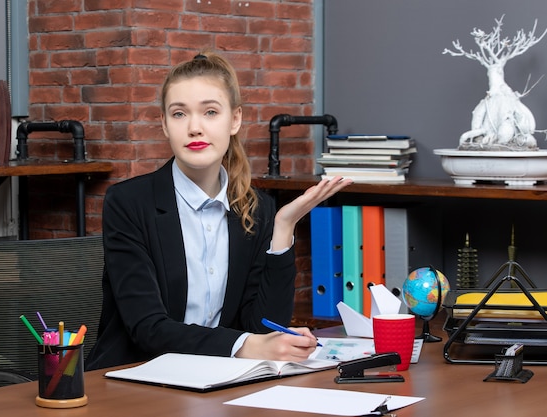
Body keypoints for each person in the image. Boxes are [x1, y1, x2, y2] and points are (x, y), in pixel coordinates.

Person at [86, 51, 352, 370]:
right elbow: (147, 328)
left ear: (235, 119)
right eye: (179, 114)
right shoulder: (128, 203)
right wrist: (243, 345)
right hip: (134, 378)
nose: (195, 128)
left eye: (210, 112)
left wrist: (283, 229)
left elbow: (264, 329)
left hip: (217, 379)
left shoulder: (258, 208)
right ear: (165, 125)